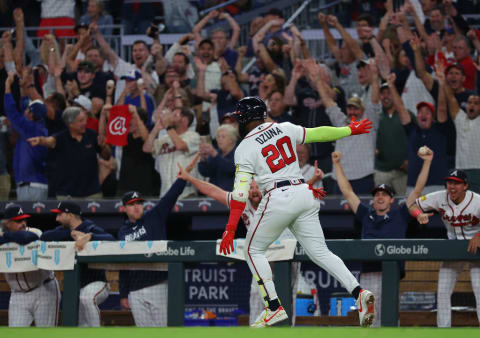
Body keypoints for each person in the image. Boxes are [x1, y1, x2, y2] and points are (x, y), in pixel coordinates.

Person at [219, 96, 375, 327]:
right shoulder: (285, 127)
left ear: (245, 119)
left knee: (252, 250)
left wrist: (230, 229)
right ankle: (358, 292)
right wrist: (348, 130)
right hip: (303, 192)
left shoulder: (244, 148)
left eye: (239, 118)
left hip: (277, 196)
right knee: (321, 253)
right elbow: (318, 133)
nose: (237, 122)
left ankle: (272, 306)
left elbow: (240, 195)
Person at [177, 162, 300, 326]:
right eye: (251, 187)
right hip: (263, 255)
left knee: (287, 295)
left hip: (286, 251)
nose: (254, 190)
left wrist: (312, 180)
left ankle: (288, 331)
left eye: (258, 187)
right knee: (256, 293)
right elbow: (214, 191)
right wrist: (189, 178)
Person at [333, 146, 434, 326]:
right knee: (368, 319)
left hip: (390, 274)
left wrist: (427, 162)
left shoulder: (401, 213)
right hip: (369, 273)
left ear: (391, 199)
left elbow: (417, 190)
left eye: (385, 195)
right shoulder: (366, 214)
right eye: (377, 195)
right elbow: (348, 191)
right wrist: (337, 164)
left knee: (390, 317)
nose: (380, 197)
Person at [117, 156, 197, 327]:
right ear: (124, 208)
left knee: (164, 331)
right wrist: (123, 294)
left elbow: (169, 198)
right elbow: (123, 265)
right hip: (134, 291)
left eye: (139, 203)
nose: (137, 206)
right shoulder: (122, 232)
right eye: (132, 204)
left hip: (158, 285)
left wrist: (182, 178)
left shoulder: (154, 217)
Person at [410, 169, 480, 327]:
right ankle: (444, 332)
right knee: (442, 292)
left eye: (456, 183)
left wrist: (479, 236)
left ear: (465, 186)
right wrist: (418, 214)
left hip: (476, 248)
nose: (452, 186)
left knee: (479, 290)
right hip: (453, 248)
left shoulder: (477, 201)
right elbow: (412, 205)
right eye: (449, 182)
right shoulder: (440, 197)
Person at [40, 201, 114, 327]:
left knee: (87, 298)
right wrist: (72, 233)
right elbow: (44, 237)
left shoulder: (90, 228)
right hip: (74, 288)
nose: (57, 218)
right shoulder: (62, 231)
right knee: (79, 325)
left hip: (96, 282)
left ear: (70, 215)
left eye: (60, 214)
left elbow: (112, 239)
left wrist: (89, 236)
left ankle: (96, 333)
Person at [27, 106, 111, 199]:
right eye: (81, 121)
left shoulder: (92, 135)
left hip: (92, 194)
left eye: (84, 120)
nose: (85, 123)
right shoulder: (61, 138)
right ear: (71, 124)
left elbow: (107, 156)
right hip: (67, 195)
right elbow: (49, 141)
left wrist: (103, 146)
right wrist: (40, 140)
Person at [1, 204, 60, 327]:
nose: (23, 223)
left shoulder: (34, 231)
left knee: (46, 335)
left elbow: (27, 238)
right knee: (15, 334)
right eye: (18, 221)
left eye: (24, 219)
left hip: (44, 289)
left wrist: (4, 236)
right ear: (7, 224)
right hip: (18, 294)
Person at [4, 73, 48, 200]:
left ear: (31, 115)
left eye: (28, 110)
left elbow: (12, 113)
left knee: (29, 220)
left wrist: (7, 87)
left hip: (31, 188)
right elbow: (24, 105)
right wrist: (23, 87)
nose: (25, 110)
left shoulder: (30, 128)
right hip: (34, 185)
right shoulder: (37, 126)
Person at [143, 108, 200, 199]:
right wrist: (156, 129)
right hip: (165, 194)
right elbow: (147, 148)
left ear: (184, 120)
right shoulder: (165, 139)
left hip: (186, 195)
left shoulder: (193, 136)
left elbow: (180, 145)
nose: (170, 118)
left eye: (175, 115)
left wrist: (168, 126)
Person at [198, 124, 238, 191]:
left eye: (223, 137)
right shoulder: (216, 153)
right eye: (218, 136)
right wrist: (203, 159)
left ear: (231, 139)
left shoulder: (238, 153)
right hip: (214, 194)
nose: (219, 139)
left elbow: (230, 168)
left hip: (231, 195)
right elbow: (206, 173)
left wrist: (215, 154)